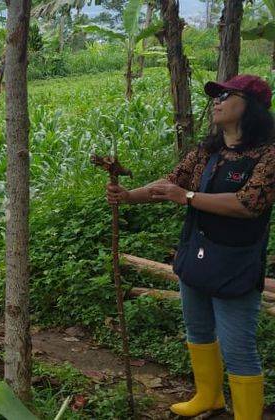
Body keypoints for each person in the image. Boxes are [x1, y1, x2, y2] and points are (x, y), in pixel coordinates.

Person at [107, 75, 275, 419]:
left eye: (226, 95)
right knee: (198, 330)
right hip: (196, 253)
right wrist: (129, 197)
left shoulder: (269, 155)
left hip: (236, 263)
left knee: (237, 346)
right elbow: (171, 184)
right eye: (216, 96)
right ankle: (208, 396)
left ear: (252, 106)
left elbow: (248, 204)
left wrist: (188, 198)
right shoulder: (207, 151)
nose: (217, 101)